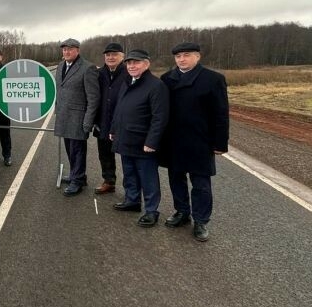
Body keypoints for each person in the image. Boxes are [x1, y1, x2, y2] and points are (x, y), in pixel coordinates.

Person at [160, 42, 229, 242]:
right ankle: (182, 212)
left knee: (201, 183)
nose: (182, 59)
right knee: (176, 179)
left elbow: (221, 113)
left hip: (200, 140)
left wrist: (220, 143)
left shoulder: (213, 79)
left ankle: (201, 221)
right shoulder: (167, 79)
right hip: (173, 139)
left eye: (187, 55)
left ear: (197, 57)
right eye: (178, 56)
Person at [110, 49, 169, 227]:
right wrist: (114, 129)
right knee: (129, 173)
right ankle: (132, 200)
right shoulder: (128, 82)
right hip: (125, 138)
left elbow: (160, 117)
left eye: (136, 62)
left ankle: (151, 211)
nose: (132, 66)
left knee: (148, 177)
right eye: (129, 63)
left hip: (143, 142)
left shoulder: (155, 86)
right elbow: (119, 108)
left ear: (146, 64)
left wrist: (152, 141)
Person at [54, 38, 100, 196]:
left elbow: (93, 98)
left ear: (78, 50)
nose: (67, 51)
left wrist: (88, 121)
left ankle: (78, 180)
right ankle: (77, 175)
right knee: (70, 149)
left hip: (78, 118)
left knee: (78, 150)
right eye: (64, 49)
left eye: (70, 49)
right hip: (64, 116)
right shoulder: (61, 66)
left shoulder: (88, 68)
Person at [93, 43, 129, 195]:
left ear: (122, 56)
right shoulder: (99, 73)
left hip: (124, 122)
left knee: (127, 158)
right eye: (108, 55)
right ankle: (109, 181)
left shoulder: (129, 72)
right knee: (105, 154)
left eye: (114, 54)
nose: (110, 57)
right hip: (103, 121)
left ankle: (131, 191)